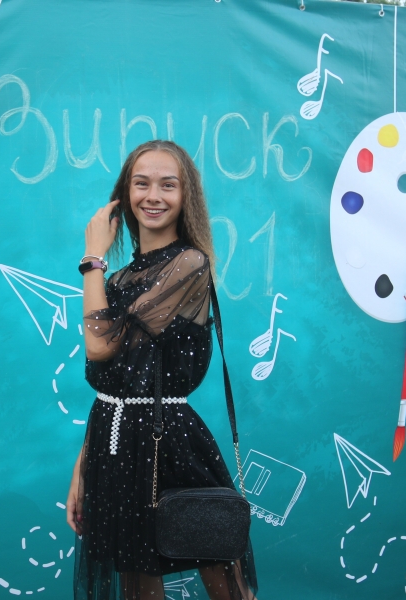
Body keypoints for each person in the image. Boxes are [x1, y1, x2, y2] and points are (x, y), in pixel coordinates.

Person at [66, 140, 258, 600]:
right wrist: (82, 468)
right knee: (137, 584)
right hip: (114, 442)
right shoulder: (116, 280)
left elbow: (99, 344)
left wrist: (92, 257)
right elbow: (113, 387)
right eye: (142, 183)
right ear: (124, 196)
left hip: (168, 439)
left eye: (168, 185)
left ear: (185, 195)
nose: (153, 196)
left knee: (225, 580)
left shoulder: (189, 264)